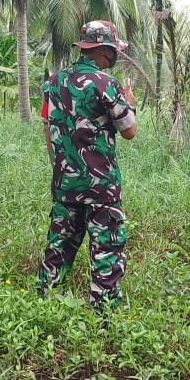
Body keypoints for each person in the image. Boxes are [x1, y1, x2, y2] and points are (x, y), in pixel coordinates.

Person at [38, 20, 137, 309]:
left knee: (60, 244)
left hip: (65, 182)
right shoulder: (108, 85)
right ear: (106, 50)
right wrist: (129, 103)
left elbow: (48, 127)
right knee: (105, 247)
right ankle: (104, 311)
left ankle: (45, 299)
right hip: (101, 187)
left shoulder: (53, 83)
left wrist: (59, 169)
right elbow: (129, 130)